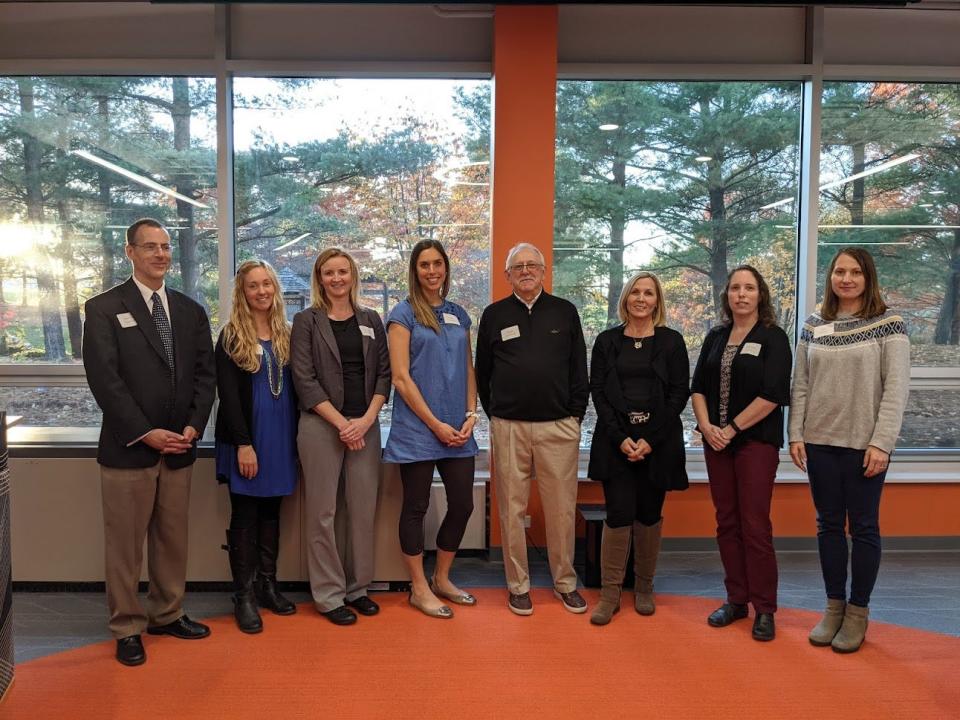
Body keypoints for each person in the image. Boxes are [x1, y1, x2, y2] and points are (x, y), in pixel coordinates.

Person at [82, 218, 216, 666]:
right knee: (125, 545)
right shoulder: (103, 308)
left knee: (171, 540)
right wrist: (146, 432)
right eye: (150, 247)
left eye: (165, 247)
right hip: (129, 447)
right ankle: (126, 626)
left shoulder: (190, 311)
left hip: (180, 446)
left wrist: (194, 426)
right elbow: (105, 380)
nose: (160, 254)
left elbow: (204, 377)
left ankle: (167, 613)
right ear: (130, 253)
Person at [789, 247, 909, 654]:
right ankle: (834, 606)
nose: (846, 278)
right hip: (820, 442)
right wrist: (795, 434)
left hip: (864, 446)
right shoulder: (814, 323)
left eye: (855, 272)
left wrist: (882, 443)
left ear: (867, 277)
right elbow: (800, 383)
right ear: (831, 277)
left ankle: (858, 612)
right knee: (827, 525)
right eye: (840, 271)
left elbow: (896, 388)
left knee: (864, 528)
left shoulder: (888, 324)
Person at [475, 243, 589, 616]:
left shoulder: (564, 312)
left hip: (559, 426)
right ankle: (518, 586)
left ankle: (565, 583)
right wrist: (497, 415)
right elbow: (483, 372)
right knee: (511, 508)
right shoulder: (493, 315)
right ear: (507, 275)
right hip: (509, 426)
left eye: (532, 265)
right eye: (517, 266)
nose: (525, 271)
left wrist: (574, 416)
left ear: (544, 271)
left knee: (560, 509)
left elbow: (578, 370)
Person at [690, 265, 792, 642]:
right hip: (716, 441)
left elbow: (773, 394)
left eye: (749, 288)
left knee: (754, 524)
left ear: (760, 295)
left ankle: (765, 608)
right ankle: (736, 600)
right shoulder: (716, 336)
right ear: (727, 295)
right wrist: (707, 428)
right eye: (735, 288)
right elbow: (698, 387)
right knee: (726, 522)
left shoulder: (773, 337)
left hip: (755, 443)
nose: (741, 294)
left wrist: (731, 429)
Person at [291, 248, 391, 626]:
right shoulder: (306, 321)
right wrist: (341, 424)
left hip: (365, 425)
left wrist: (364, 421)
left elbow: (384, 374)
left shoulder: (371, 319)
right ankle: (330, 594)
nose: (336, 278)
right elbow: (304, 378)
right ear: (319, 278)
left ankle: (357, 588)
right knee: (323, 513)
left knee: (362, 511)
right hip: (320, 426)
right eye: (328, 272)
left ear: (353, 275)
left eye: (343, 271)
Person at [587, 272, 690, 626]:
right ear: (625, 299)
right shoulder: (606, 342)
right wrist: (621, 438)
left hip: (657, 444)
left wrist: (649, 438)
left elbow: (679, 394)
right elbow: (598, 393)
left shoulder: (672, 342)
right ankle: (610, 593)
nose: (641, 299)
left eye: (648, 293)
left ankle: (644, 587)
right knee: (617, 514)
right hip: (615, 442)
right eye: (635, 292)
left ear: (657, 301)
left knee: (648, 514)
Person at [384, 239, 478, 619]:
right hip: (418, 429)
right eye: (424, 264)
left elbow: (469, 369)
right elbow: (402, 379)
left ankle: (441, 578)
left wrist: (471, 415)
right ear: (414, 270)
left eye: (438, 263)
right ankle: (418, 588)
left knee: (463, 505)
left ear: (446, 268)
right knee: (416, 507)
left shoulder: (459, 315)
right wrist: (435, 424)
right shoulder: (402, 314)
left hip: (458, 429)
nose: (432, 271)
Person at [215, 260, 299, 634]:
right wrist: (243, 445)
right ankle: (243, 595)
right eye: (253, 286)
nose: (262, 291)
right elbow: (229, 398)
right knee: (245, 515)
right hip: (248, 438)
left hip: (281, 438)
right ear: (242, 292)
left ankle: (267, 584)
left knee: (271, 514)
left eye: (267, 284)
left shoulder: (288, 332)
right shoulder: (231, 335)